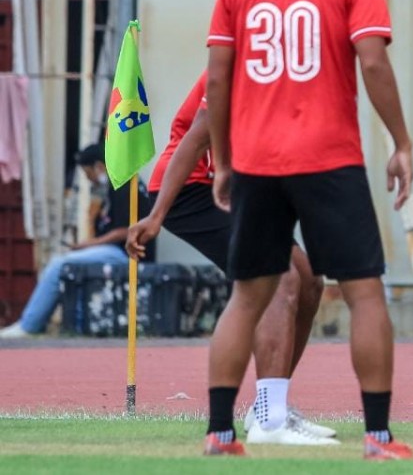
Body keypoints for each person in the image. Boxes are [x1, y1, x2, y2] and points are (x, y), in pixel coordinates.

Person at [201, 0, 413, 460]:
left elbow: (218, 78)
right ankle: (378, 438)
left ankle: (221, 434)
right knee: (365, 292)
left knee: (245, 297)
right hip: (328, 157)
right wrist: (401, 142)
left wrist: (224, 158)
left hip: (258, 160)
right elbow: (372, 60)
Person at [126, 72, 336, 445]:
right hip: (191, 191)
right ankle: (270, 423)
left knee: (309, 280)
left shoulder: (304, 68)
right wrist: (156, 214)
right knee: (280, 277)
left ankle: (270, 406)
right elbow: (195, 138)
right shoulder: (243, 59)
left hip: (241, 189)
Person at [0, 143, 150, 338]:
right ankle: (51, 322)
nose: (88, 179)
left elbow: (125, 231)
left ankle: (29, 325)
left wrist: (89, 244)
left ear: (99, 166)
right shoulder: (113, 188)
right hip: (116, 251)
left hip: (125, 252)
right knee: (66, 263)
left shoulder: (124, 185)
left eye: (88, 173)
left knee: (59, 264)